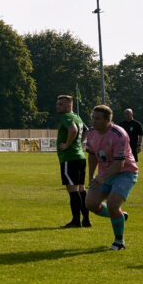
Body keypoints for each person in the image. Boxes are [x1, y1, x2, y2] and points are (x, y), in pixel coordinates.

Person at [84, 104, 138, 250]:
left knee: (113, 204)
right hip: (104, 174)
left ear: (108, 120)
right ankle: (119, 216)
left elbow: (119, 164)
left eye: (98, 119)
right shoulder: (91, 133)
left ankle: (119, 242)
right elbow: (92, 156)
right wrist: (91, 176)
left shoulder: (119, 134)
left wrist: (102, 178)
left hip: (125, 173)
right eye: (93, 118)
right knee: (90, 204)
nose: (94, 121)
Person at [55, 95, 90, 228]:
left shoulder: (67, 117)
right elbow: (86, 130)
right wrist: (79, 144)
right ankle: (86, 220)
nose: (58, 106)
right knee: (81, 189)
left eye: (61, 104)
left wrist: (67, 145)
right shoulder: (77, 117)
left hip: (70, 158)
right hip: (80, 157)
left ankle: (76, 221)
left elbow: (73, 129)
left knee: (73, 190)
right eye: (58, 104)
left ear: (69, 105)